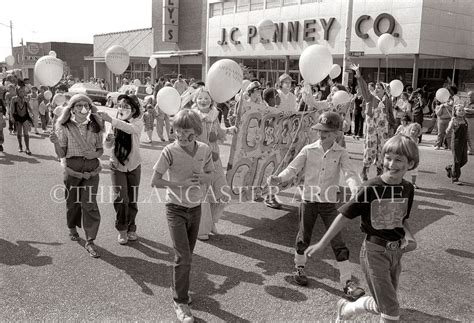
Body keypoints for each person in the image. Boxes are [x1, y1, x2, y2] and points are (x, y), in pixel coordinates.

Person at [306, 134, 419, 323]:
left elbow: (402, 218)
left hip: (396, 252)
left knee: (382, 303)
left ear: (411, 164)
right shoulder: (370, 188)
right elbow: (344, 215)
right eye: (388, 158)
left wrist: (410, 237)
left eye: (398, 160)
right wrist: (322, 243)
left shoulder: (408, 188)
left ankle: (346, 308)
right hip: (374, 253)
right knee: (391, 310)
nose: (391, 164)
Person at [267, 111, 365, 299]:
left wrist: (355, 189)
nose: (322, 134)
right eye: (320, 130)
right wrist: (279, 178)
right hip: (309, 200)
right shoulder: (309, 149)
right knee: (304, 236)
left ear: (337, 133)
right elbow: (293, 168)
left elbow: (350, 173)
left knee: (337, 240)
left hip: (329, 203)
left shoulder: (341, 152)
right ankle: (299, 268)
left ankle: (346, 282)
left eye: (327, 131)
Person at [151, 109, 214, 323]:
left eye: (187, 132)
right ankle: (180, 301)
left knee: (187, 256)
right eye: (177, 131)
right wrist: (181, 184)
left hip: (195, 208)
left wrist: (204, 176)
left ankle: (179, 287)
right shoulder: (169, 151)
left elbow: (211, 174)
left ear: (196, 132)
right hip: (175, 208)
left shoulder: (204, 149)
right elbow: (155, 181)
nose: (181, 136)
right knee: (183, 257)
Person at [49, 94, 105, 258]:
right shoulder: (64, 126)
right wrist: (55, 143)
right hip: (73, 169)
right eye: (79, 105)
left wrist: (94, 153)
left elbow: (101, 150)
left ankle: (90, 241)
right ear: (72, 109)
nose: (83, 108)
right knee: (72, 202)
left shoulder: (95, 126)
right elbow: (62, 154)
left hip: (92, 170)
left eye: (86, 105)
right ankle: (72, 227)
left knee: (89, 204)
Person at [99, 94, 144, 245]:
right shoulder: (115, 123)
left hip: (134, 165)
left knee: (132, 199)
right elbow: (108, 146)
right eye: (121, 106)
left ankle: (132, 228)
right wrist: (108, 140)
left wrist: (111, 120)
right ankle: (122, 230)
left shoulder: (137, 122)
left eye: (126, 106)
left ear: (134, 109)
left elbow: (129, 129)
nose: (122, 109)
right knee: (120, 198)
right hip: (116, 165)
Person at [191, 87, 235, 240]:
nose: (203, 100)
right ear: (196, 100)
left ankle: (212, 222)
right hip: (199, 160)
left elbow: (219, 132)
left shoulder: (215, 115)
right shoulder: (192, 116)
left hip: (215, 158)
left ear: (211, 100)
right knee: (202, 196)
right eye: (200, 98)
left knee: (223, 191)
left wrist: (229, 130)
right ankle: (202, 229)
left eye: (206, 98)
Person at [351, 64, 396, 181]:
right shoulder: (370, 98)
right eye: (376, 87)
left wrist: (393, 126)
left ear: (384, 90)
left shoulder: (387, 101)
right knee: (370, 149)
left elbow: (391, 114)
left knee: (382, 149)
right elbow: (364, 88)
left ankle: (379, 172)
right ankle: (364, 171)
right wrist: (359, 75)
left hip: (383, 129)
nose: (376, 89)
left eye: (379, 87)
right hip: (371, 128)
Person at [445, 104, 470, 185]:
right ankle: (455, 178)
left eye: (463, 110)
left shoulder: (465, 121)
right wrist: (451, 125)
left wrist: (470, 144)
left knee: (464, 160)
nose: (461, 112)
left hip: (464, 143)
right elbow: (447, 131)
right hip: (456, 143)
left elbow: (467, 133)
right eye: (459, 110)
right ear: (455, 112)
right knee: (457, 160)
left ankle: (450, 168)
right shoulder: (453, 120)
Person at [10, 82, 33, 154]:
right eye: (20, 91)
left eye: (23, 91)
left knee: (26, 133)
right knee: (19, 133)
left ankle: (27, 148)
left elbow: (29, 108)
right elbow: (11, 109)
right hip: (17, 117)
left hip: (25, 117)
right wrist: (12, 117)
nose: (22, 92)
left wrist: (32, 114)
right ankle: (20, 146)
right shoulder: (14, 99)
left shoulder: (26, 99)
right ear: (17, 92)